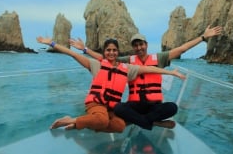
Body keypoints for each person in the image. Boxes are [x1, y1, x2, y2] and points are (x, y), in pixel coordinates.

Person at [69, 25, 222, 130]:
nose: (139, 47)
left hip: (153, 105)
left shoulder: (159, 58)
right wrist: (85, 49)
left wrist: (203, 37)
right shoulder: (129, 61)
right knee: (118, 107)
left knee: (173, 107)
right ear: (133, 48)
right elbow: (105, 59)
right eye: (136, 45)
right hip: (135, 105)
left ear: (146, 44)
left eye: (141, 44)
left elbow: (182, 48)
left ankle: (145, 121)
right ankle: (152, 122)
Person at [37, 37, 185, 133]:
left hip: (112, 108)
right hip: (96, 104)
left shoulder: (126, 68)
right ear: (104, 52)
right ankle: (73, 120)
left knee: (120, 126)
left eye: (114, 50)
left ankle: (85, 123)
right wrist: (51, 43)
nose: (112, 53)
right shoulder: (96, 64)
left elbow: (150, 69)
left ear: (118, 52)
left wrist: (171, 73)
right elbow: (73, 54)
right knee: (102, 120)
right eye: (108, 50)